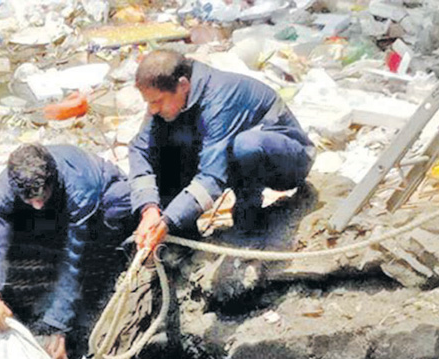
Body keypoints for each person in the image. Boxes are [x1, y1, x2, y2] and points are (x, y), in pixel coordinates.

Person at [129, 50, 316, 251]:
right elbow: (140, 149)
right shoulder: (168, 98)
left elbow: (212, 177)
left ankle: (250, 222)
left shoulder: (219, 99)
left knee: (246, 146)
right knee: (167, 145)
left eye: (157, 102)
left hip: (286, 159)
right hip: (235, 154)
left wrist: (169, 220)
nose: (153, 110)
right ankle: (182, 240)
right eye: (149, 103)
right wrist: (149, 208)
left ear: (183, 86)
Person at [0, 144, 132, 359]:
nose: (36, 205)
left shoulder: (79, 188)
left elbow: (74, 260)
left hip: (103, 201)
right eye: (30, 199)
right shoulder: (5, 189)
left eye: (41, 197)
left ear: (53, 179)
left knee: (100, 239)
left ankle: (109, 262)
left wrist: (57, 327)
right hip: (56, 208)